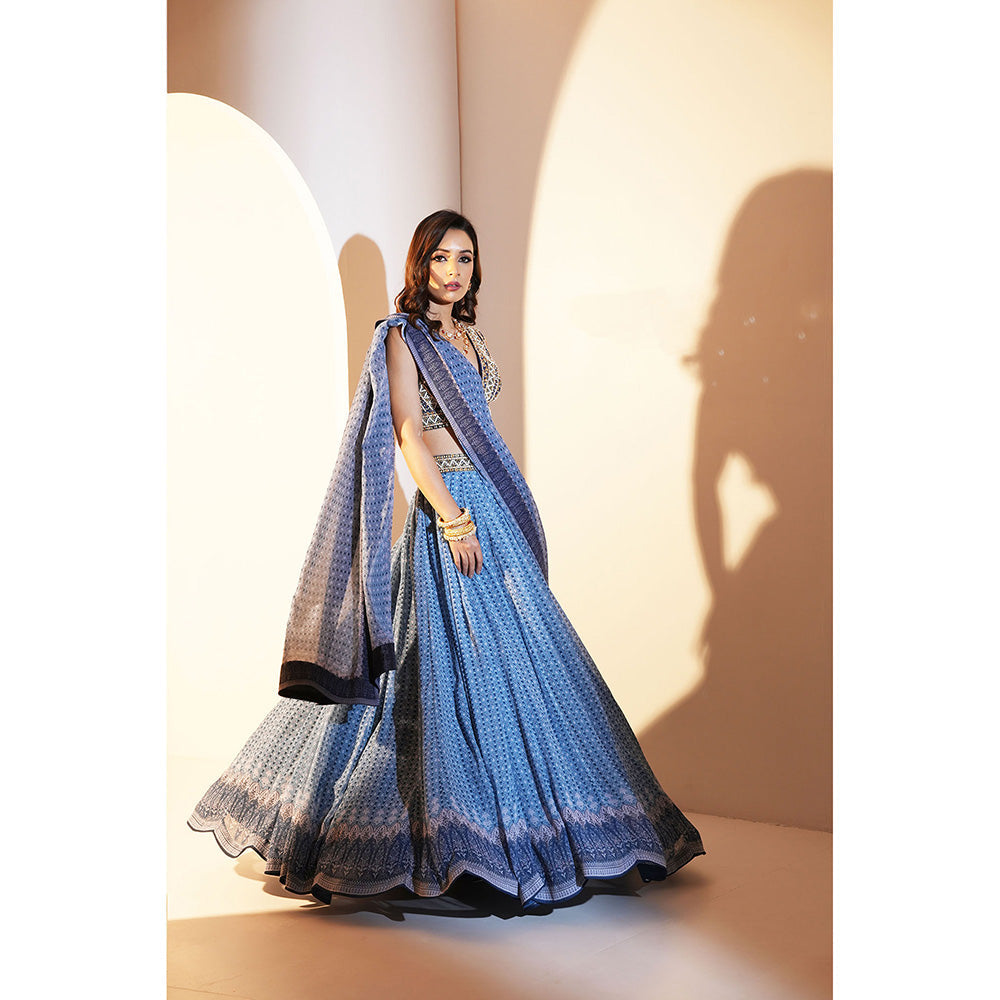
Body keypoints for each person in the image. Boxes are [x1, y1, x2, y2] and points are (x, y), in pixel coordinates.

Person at [189, 209, 706, 910]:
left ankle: (542, 823)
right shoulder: (402, 336)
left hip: (490, 504)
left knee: (521, 659)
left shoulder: (470, 336)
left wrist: (484, 510)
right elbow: (409, 432)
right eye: (442, 258)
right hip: (448, 510)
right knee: (438, 668)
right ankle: (452, 841)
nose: (454, 271)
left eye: (465, 258)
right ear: (420, 263)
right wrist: (452, 516)